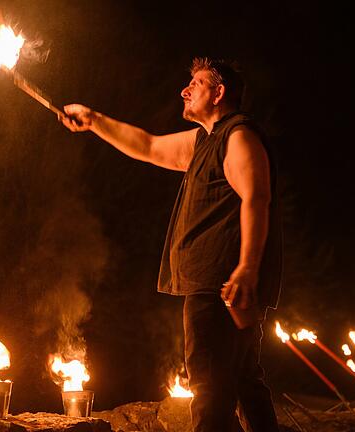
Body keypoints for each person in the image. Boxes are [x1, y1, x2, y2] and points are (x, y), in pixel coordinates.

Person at [62, 57, 282, 432]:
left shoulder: (237, 136)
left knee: (210, 385)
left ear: (219, 92)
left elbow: (256, 198)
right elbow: (147, 145)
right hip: (220, 285)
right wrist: (94, 120)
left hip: (219, 285)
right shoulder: (204, 141)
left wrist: (246, 267)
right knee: (245, 382)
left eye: (196, 84)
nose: (185, 90)